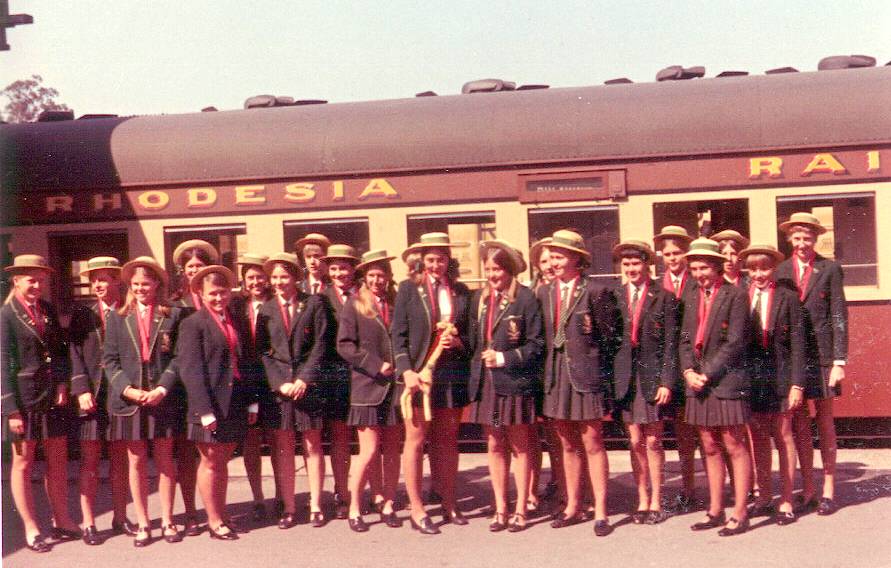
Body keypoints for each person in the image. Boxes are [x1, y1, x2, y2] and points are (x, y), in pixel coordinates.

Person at [539, 230, 620, 537]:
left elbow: (610, 340)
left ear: (576, 258)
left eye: (559, 257)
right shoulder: (544, 293)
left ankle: (601, 511)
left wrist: (602, 380)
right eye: (552, 257)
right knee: (567, 444)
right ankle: (573, 506)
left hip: (586, 376)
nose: (554, 263)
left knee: (593, 442)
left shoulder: (597, 291)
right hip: (556, 375)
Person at [392, 232, 472, 534]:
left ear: (449, 260)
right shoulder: (408, 289)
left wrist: (459, 342)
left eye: (441, 259)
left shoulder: (461, 291)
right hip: (418, 376)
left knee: (447, 441)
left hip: (450, 375)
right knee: (415, 440)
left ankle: (449, 501)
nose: (436, 265)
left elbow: (472, 334)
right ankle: (417, 508)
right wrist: (406, 371)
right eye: (430, 259)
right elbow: (397, 335)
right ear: (422, 261)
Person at [104, 257, 185, 547]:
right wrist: (127, 389)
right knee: (136, 462)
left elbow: (178, 357)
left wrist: (163, 388)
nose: (140, 289)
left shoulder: (172, 314)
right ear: (130, 285)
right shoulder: (117, 316)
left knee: (164, 460)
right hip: (131, 401)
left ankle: (168, 520)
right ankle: (143, 522)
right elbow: (109, 360)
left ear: (157, 285)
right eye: (136, 284)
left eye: (146, 284)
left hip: (162, 398)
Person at [2, 255, 80, 553]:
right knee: (23, 464)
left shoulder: (46, 309)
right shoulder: (6, 316)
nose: (37, 286)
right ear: (16, 280)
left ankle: (61, 519)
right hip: (23, 401)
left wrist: (61, 383)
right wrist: (10, 410)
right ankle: (32, 528)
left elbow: (59, 352)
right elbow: (1, 365)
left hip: (51, 396)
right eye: (31, 280)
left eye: (41, 280)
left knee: (58, 460)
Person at [467, 240, 544, 533]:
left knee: (520, 446)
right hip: (488, 386)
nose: (492, 275)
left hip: (514, 384)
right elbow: (474, 342)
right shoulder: (480, 299)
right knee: (495, 444)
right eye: (487, 269)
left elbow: (537, 345)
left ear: (509, 270)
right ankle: (500, 508)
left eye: (497, 269)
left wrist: (503, 358)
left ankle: (521, 508)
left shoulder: (525, 298)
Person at [776, 212, 848, 516]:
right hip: (795, 357)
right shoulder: (780, 270)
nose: (802, 243)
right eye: (797, 237)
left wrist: (839, 361)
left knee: (826, 421)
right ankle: (808, 489)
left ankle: (828, 489)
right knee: (800, 422)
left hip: (823, 357)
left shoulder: (830, 269)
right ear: (789, 239)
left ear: (816, 239)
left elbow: (839, 315)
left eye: (807, 238)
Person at [679, 239, 753, 537]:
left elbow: (735, 342)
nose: (699, 274)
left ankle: (740, 513)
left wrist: (705, 373)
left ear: (718, 267)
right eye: (694, 269)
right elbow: (684, 339)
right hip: (697, 382)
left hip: (725, 382)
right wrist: (687, 371)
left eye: (704, 268)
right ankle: (715, 509)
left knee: (734, 445)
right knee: (708, 445)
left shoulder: (735, 295)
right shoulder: (690, 295)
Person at [179, 265, 258, 541]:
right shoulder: (193, 324)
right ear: (201, 294)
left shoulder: (236, 320)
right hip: (208, 404)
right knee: (210, 461)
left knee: (222, 461)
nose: (218, 298)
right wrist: (204, 411)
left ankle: (221, 513)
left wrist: (252, 403)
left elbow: (247, 362)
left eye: (223, 292)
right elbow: (190, 370)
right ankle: (214, 521)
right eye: (212, 293)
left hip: (233, 401)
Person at [259, 252, 334, 529]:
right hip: (281, 390)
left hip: (307, 387)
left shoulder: (313, 303)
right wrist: (280, 383)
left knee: (313, 445)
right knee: (285, 449)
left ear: (295, 277)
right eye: (274, 277)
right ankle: (289, 507)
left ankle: (315, 505)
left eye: (284, 277)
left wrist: (305, 378)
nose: (279, 282)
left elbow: (321, 344)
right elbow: (263, 352)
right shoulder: (265, 310)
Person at [69, 256, 136, 545]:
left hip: (120, 395)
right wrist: (81, 389)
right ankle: (88, 522)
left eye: (103, 279)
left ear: (117, 280)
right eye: (93, 279)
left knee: (120, 460)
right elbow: (74, 353)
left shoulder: (128, 310)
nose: (97, 284)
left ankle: (120, 517)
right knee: (91, 460)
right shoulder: (83, 314)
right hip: (92, 397)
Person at [612, 241, 679, 525]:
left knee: (653, 440)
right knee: (635, 440)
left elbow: (671, 344)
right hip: (626, 379)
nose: (631, 269)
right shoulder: (614, 295)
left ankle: (657, 500)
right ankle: (641, 498)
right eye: (626, 264)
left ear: (647, 265)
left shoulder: (663, 297)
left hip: (653, 379)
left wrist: (667, 381)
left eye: (636, 264)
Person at [336, 249, 404, 532]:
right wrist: (376, 365)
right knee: (369, 450)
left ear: (389, 277)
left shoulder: (396, 302)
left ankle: (388, 503)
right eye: (372, 275)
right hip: (367, 387)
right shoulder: (354, 304)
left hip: (395, 388)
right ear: (364, 277)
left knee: (393, 451)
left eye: (382, 275)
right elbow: (344, 345)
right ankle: (354, 507)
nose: (377, 280)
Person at [739, 244, 805, 525]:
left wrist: (797, 384)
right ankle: (764, 496)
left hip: (781, 376)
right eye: (753, 269)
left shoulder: (788, 298)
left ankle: (786, 500)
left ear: (774, 268)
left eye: (764, 268)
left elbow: (799, 344)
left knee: (784, 435)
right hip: (752, 379)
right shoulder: (741, 296)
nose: (759, 274)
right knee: (758, 438)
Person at [169, 239, 220, 536]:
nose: (194, 271)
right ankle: (190, 511)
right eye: (190, 267)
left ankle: (215, 509)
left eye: (199, 266)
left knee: (211, 456)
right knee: (187, 454)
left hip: (214, 388)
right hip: (183, 390)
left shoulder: (220, 300)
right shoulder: (176, 306)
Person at [231, 253, 281, 521]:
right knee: (251, 441)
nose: (256, 282)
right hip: (247, 382)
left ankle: (281, 494)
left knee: (276, 438)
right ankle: (258, 497)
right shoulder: (236, 306)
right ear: (243, 280)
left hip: (272, 380)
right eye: (250, 277)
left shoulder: (276, 303)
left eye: (260, 277)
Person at [653, 225, 699, 512]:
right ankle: (685, 488)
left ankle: (702, 489)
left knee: (702, 432)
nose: (672, 258)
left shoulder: (696, 283)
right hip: (667, 368)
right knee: (678, 433)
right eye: (667, 254)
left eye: (677, 253)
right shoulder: (657, 286)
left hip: (692, 365)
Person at [317, 244, 361, 521]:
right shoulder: (321, 298)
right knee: (340, 437)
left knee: (368, 437)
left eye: (343, 268)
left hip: (365, 374)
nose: (338, 274)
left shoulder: (364, 294)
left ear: (353, 269)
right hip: (336, 377)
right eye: (333, 269)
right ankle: (342, 493)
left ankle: (373, 493)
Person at [525, 237, 563, 513]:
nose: (549, 265)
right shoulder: (531, 293)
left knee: (558, 433)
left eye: (553, 259)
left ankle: (561, 482)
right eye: (544, 261)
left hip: (556, 370)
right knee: (530, 434)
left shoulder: (564, 290)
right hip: (534, 371)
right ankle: (531, 489)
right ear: (537, 265)